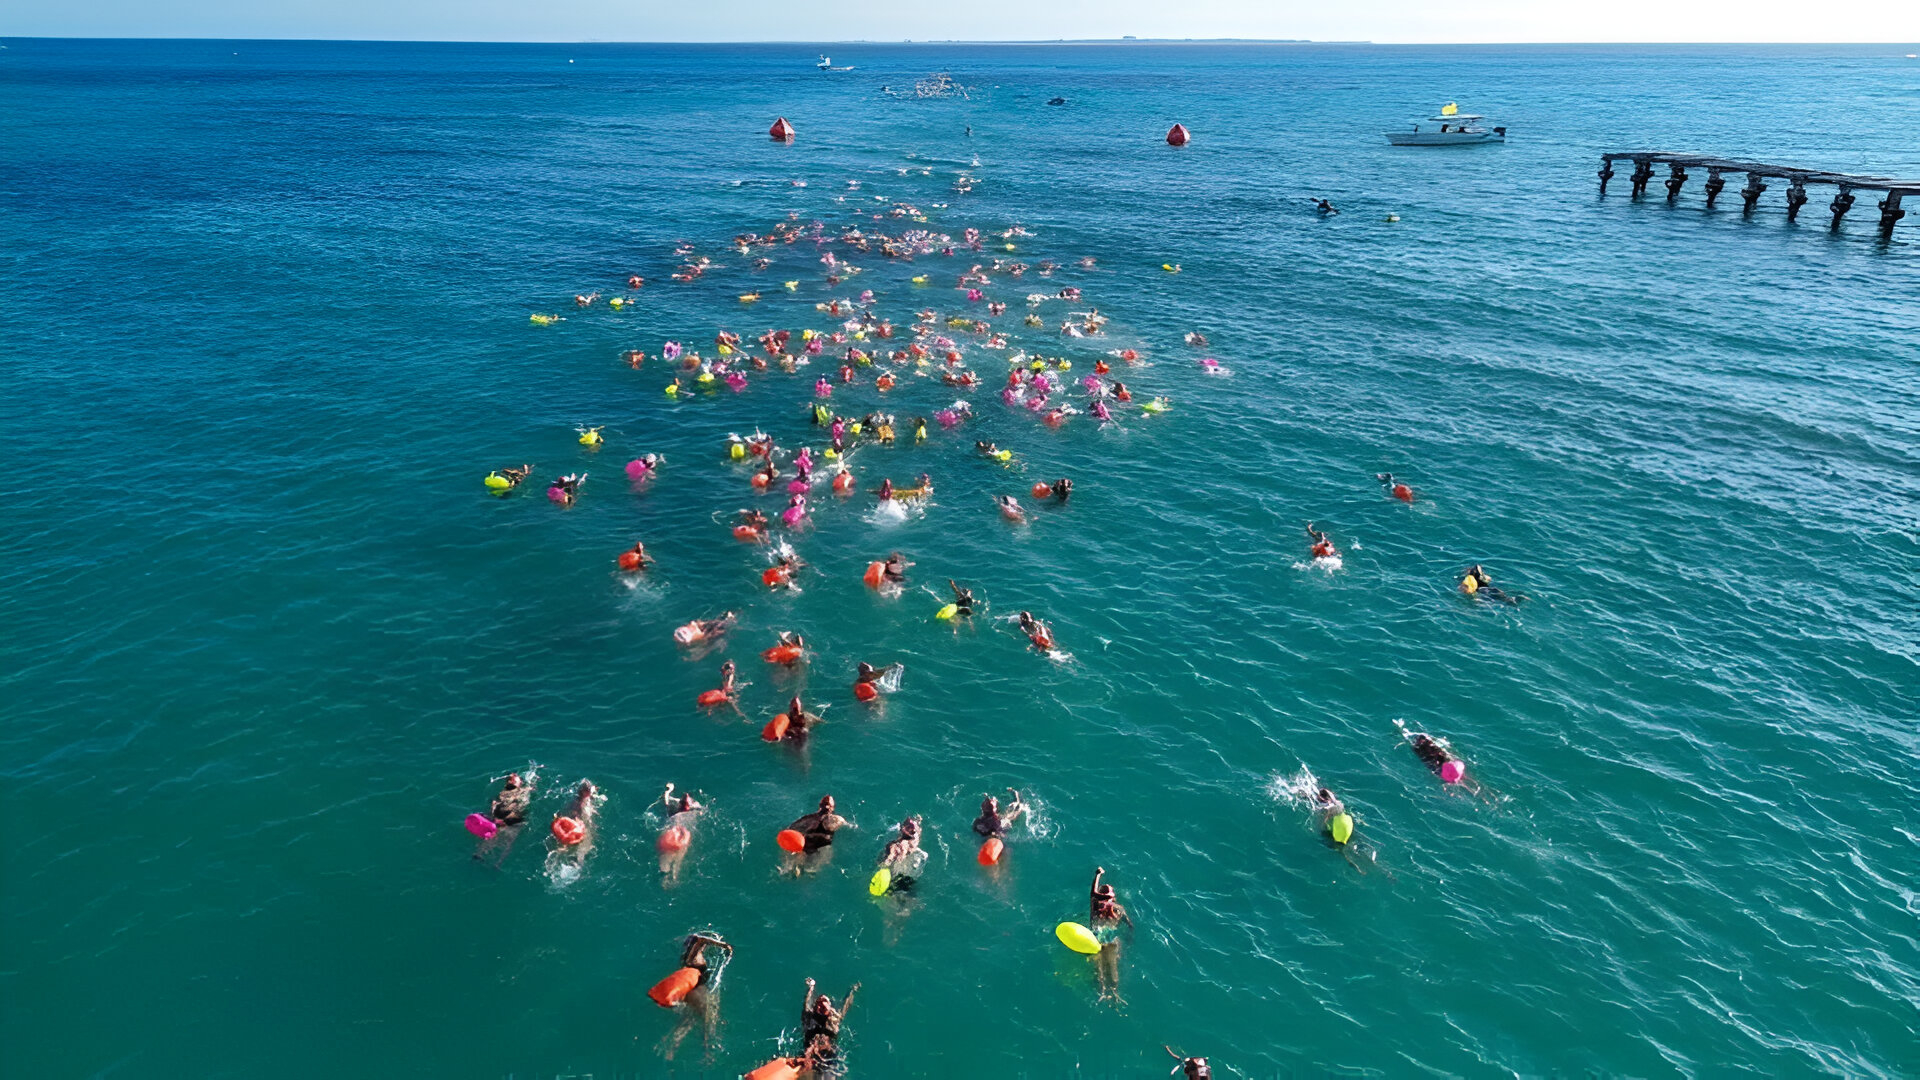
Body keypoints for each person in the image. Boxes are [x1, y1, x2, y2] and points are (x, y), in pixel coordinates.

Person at [659, 932, 733, 1061]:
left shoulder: (686, 958)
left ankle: (670, 1045)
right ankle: (706, 1052)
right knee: (707, 1019)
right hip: (698, 990)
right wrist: (723, 945)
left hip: (691, 990)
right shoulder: (693, 957)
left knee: (688, 1020)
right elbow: (701, 939)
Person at [1089, 867, 1133, 1001]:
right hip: (1111, 941)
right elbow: (1130, 925)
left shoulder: (1095, 908)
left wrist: (1097, 875)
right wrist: (1129, 937)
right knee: (1108, 969)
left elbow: (1093, 893)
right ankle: (1112, 993)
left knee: (1102, 969)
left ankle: (1105, 992)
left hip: (1096, 941)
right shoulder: (1118, 909)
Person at [474, 771, 534, 864]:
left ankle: (479, 854)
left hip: (498, 817)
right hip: (511, 819)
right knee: (508, 842)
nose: (521, 781)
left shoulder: (504, 792)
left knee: (491, 835)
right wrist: (531, 786)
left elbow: (495, 803)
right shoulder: (521, 791)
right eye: (519, 781)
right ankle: (498, 862)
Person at [801, 978, 861, 1064]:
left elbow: (846, 1004)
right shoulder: (809, 1016)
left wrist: (852, 991)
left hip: (827, 1055)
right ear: (815, 1007)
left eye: (824, 1001)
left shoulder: (835, 1019)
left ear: (830, 1008)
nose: (821, 1004)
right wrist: (811, 988)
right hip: (809, 1052)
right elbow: (806, 1002)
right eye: (819, 1002)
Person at [658, 783, 705, 884]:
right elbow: (701, 810)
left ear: (679, 804)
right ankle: (674, 875)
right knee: (679, 858)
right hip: (684, 836)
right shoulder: (694, 811)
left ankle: (664, 879)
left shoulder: (672, 811)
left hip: (671, 835)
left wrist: (670, 790)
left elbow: (665, 799)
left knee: (666, 857)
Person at [787, 795, 852, 857]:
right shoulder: (836, 819)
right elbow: (847, 825)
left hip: (808, 845)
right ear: (833, 808)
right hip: (820, 846)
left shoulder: (807, 818)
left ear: (820, 805)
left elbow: (790, 829)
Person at [878, 816, 924, 890]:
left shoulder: (897, 845)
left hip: (897, 873)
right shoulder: (897, 846)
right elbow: (887, 860)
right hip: (894, 875)